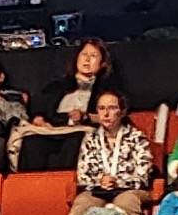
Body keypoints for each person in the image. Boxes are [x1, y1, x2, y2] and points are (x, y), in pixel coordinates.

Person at [12, 39, 121, 170]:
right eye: (84, 54)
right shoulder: (57, 85)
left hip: (81, 130)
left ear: (102, 64)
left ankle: (65, 187)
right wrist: (38, 118)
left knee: (76, 141)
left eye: (93, 56)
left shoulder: (106, 90)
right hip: (51, 128)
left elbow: (115, 116)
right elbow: (38, 109)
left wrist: (86, 116)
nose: (87, 60)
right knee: (32, 143)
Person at [64, 90, 156, 215]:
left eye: (112, 108)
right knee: (82, 203)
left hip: (129, 189)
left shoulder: (137, 137)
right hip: (98, 189)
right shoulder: (91, 139)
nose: (106, 114)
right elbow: (83, 175)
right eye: (101, 108)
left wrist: (117, 182)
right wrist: (100, 181)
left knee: (127, 202)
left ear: (123, 112)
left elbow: (143, 174)